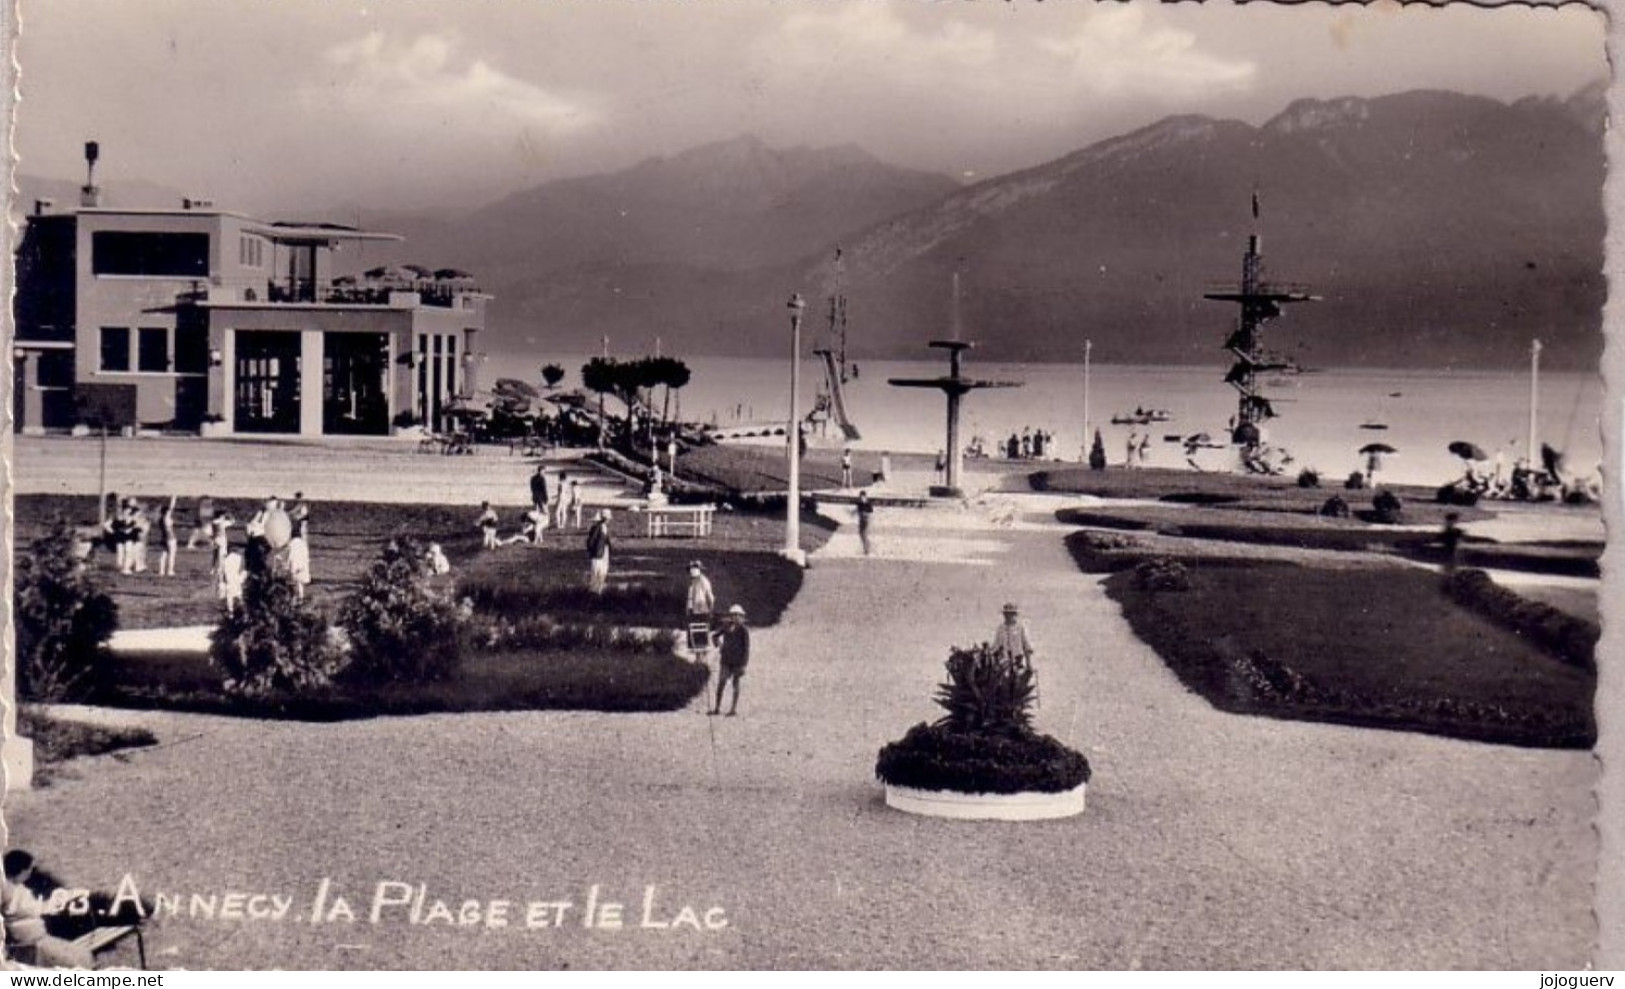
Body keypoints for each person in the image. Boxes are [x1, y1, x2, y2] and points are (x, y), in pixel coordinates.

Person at [2, 851, 94, 970]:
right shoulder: (9, 892)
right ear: (22, 870)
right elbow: (25, 913)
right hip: (30, 944)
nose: (30, 872)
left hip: (37, 939)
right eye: (29, 869)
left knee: (81, 956)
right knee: (80, 959)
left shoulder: (15, 888)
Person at [709, 604, 750, 717]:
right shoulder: (726, 626)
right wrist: (719, 645)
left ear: (741, 617)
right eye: (733, 615)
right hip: (726, 660)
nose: (736, 617)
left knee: (735, 683)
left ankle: (733, 709)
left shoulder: (743, 630)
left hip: (738, 661)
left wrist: (744, 664)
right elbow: (715, 636)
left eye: (738, 615)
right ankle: (717, 708)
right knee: (721, 682)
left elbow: (746, 648)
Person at [685, 560, 716, 654]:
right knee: (692, 632)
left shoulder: (704, 581)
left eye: (695, 568)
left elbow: (710, 597)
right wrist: (688, 609)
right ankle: (696, 653)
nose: (692, 570)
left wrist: (710, 610)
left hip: (702, 611)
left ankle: (702, 654)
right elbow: (690, 597)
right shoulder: (692, 582)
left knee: (701, 633)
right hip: (692, 611)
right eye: (691, 568)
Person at [992, 602, 1035, 668]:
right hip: (1003, 663)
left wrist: (1028, 663)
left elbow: (1027, 646)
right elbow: (996, 646)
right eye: (1006, 614)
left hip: (1018, 662)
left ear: (1015, 615)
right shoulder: (1000, 628)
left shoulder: (1021, 628)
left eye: (1010, 614)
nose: (1008, 616)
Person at [586, 510, 612, 594]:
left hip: (603, 553)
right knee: (596, 573)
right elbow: (591, 541)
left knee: (602, 573)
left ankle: (598, 591)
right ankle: (594, 591)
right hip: (598, 554)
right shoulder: (598, 528)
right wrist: (592, 551)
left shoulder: (604, 527)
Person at [156, 495, 178, 577]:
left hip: (163, 538)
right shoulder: (166, 518)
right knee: (171, 555)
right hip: (170, 538)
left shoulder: (160, 519)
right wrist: (174, 499)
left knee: (163, 554)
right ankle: (170, 571)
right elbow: (171, 507)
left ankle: (161, 571)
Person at [288, 535, 312, 600]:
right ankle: (300, 596)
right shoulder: (303, 544)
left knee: (296, 582)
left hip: (295, 565)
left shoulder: (291, 543)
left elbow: (290, 556)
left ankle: (297, 597)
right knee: (299, 583)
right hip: (301, 564)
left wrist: (289, 564)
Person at [856, 490, 874, 556]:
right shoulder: (859, 504)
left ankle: (867, 549)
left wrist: (865, 514)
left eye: (863, 498)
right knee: (861, 534)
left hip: (867, 521)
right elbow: (857, 512)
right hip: (861, 521)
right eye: (860, 498)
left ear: (865, 497)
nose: (861, 499)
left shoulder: (868, 504)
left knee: (864, 534)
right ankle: (866, 547)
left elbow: (871, 514)